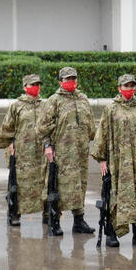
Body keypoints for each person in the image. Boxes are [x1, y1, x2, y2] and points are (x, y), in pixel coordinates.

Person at [90, 74, 136, 248]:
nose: (130, 89)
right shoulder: (111, 109)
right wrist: (102, 159)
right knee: (115, 196)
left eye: (132, 86)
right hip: (117, 163)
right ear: (119, 88)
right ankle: (111, 232)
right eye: (126, 86)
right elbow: (101, 133)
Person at [36, 66, 96, 236]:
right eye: (68, 79)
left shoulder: (83, 99)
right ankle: (54, 221)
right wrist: (47, 145)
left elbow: (91, 123)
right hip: (61, 153)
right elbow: (42, 126)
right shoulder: (54, 101)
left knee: (80, 185)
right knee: (58, 186)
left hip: (80, 152)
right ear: (61, 81)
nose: (71, 82)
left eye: (73, 79)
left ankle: (79, 221)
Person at [0, 74, 47, 227]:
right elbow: (7, 128)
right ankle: (14, 213)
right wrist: (9, 144)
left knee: (44, 183)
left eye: (38, 84)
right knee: (18, 185)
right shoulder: (17, 106)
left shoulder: (45, 106)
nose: (36, 88)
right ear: (25, 87)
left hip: (41, 154)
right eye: (32, 85)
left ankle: (47, 214)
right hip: (22, 154)